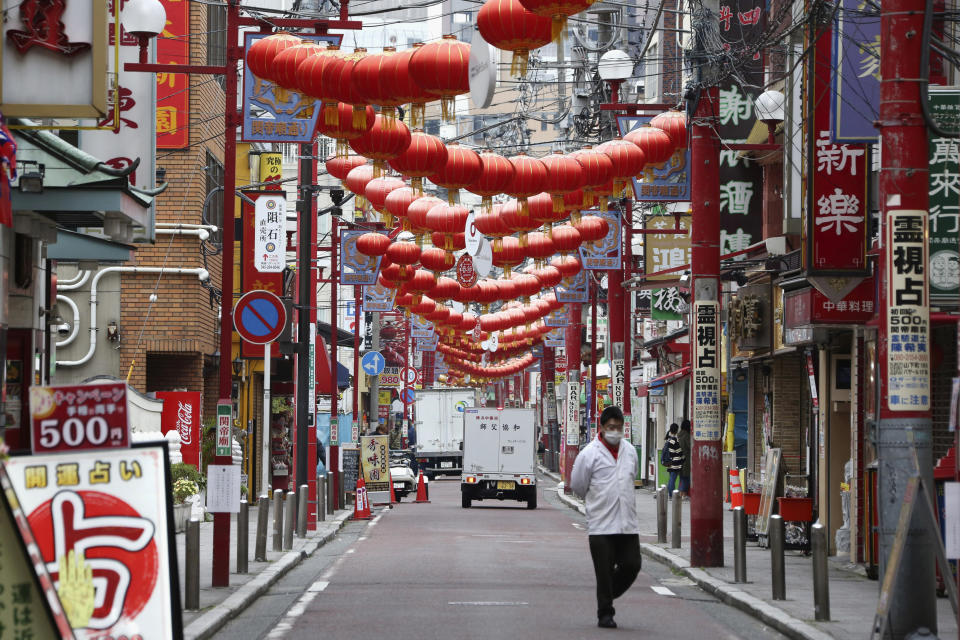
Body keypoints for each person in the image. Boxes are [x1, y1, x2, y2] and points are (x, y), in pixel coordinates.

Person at [570, 406, 641, 630]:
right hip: (601, 523)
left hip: (627, 522)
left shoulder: (630, 451)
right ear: (601, 428)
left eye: (618, 428)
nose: (615, 432)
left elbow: (634, 475)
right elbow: (579, 485)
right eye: (611, 427)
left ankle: (609, 592)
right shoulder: (589, 454)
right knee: (604, 570)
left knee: (632, 564)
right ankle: (605, 613)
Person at [664, 423, 683, 498]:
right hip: (675, 462)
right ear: (676, 430)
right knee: (672, 479)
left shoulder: (668, 439)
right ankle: (671, 495)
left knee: (671, 478)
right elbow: (678, 451)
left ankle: (669, 493)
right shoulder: (674, 440)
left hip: (669, 462)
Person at [678, 418, 692, 498]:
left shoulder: (679, 435)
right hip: (686, 459)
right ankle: (683, 493)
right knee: (686, 477)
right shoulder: (686, 435)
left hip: (679, 459)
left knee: (682, 477)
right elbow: (690, 446)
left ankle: (680, 493)